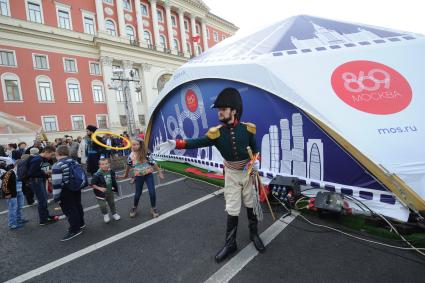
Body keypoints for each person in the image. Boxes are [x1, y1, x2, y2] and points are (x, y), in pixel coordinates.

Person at [157, 87, 265, 262]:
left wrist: (256, 161)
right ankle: (230, 243)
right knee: (232, 208)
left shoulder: (248, 129)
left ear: (234, 111)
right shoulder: (217, 133)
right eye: (219, 110)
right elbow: (196, 142)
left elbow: (255, 148)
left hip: (248, 173)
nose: (219, 113)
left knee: (252, 203)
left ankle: (254, 234)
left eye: (223, 109)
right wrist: (175, 143)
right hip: (231, 173)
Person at [121, 138, 164, 218]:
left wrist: (159, 172)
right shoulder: (131, 156)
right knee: (138, 193)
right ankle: (134, 208)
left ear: (140, 145)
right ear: (131, 145)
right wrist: (125, 175)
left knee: (152, 192)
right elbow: (128, 166)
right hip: (139, 176)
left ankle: (153, 208)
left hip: (148, 175)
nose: (136, 146)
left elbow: (153, 163)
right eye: (134, 145)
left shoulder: (146, 153)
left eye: (137, 144)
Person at [52, 145, 85, 241]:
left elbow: (56, 184)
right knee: (77, 205)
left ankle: (74, 229)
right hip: (75, 187)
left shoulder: (57, 165)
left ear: (57, 153)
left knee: (70, 210)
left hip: (65, 190)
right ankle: (81, 223)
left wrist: (56, 197)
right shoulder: (74, 161)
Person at [28, 145, 59, 225]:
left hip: (40, 180)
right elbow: (31, 173)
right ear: (46, 152)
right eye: (51, 154)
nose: (52, 157)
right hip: (36, 181)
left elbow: (38, 170)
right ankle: (43, 220)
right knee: (42, 200)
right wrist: (46, 172)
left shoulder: (42, 159)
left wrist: (47, 175)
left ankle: (46, 216)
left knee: (44, 199)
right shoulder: (37, 159)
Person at [91, 158, 121, 223]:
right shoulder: (97, 174)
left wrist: (124, 176)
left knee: (112, 204)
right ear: (99, 166)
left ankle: (114, 214)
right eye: (102, 164)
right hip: (100, 194)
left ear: (109, 164)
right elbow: (92, 184)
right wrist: (100, 188)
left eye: (106, 163)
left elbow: (115, 176)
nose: (105, 165)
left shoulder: (111, 171)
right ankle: (105, 214)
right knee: (102, 206)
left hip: (109, 192)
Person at [2, 160, 29, 229]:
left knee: (20, 207)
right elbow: (4, 185)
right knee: (12, 208)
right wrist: (7, 193)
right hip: (12, 193)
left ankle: (19, 219)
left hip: (20, 192)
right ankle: (12, 224)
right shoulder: (9, 173)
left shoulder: (21, 173)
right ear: (16, 166)